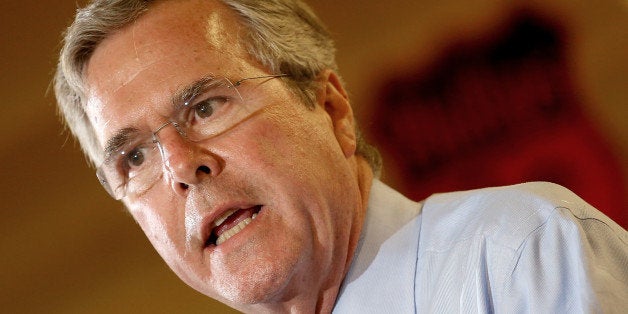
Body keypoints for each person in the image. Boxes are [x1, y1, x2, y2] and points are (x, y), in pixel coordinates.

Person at [54, 0, 627, 312]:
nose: (181, 166)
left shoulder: (514, 255)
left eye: (206, 107)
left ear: (331, 109)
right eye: (134, 158)